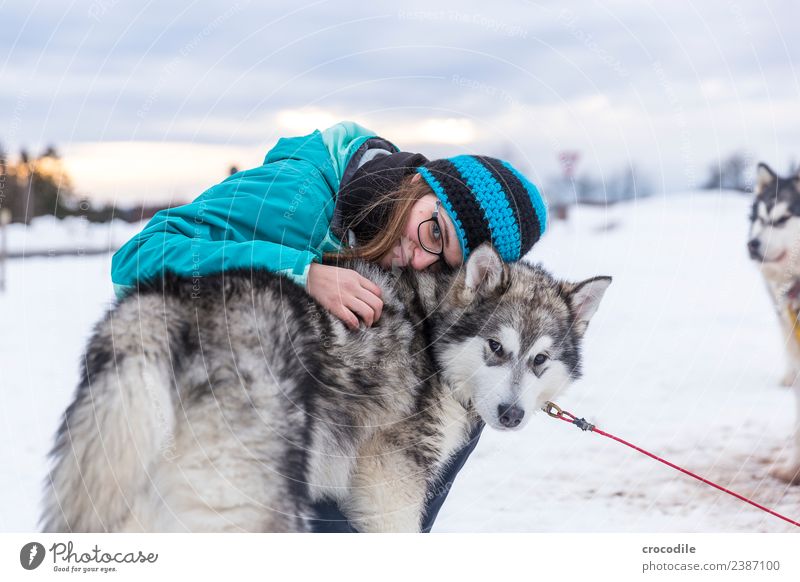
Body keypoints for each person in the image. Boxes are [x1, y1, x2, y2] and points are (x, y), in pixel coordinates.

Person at [110, 120, 548, 532]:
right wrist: (302, 271)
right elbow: (138, 257)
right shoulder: (299, 196)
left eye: (441, 261)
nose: (420, 260)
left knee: (459, 382)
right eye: (435, 233)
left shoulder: (400, 226)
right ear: (422, 182)